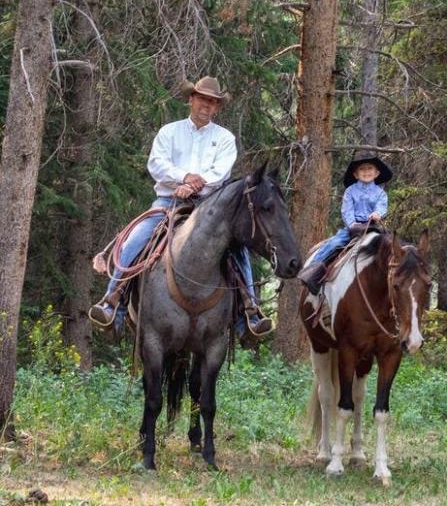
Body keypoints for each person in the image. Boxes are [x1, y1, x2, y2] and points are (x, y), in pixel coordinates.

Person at [88, 76, 271, 339]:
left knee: (238, 248)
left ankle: (249, 315)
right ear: (191, 99)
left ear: (217, 107)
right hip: (168, 201)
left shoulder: (225, 138)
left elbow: (220, 172)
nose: (206, 105)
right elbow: (156, 164)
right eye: (202, 99)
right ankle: (112, 304)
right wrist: (184, 178)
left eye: (212, 102)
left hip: (209, 206)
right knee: (136, 239)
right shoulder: (169, 132)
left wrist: (195, 186)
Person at [298, 151, 392, 292]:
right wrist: (352, 224)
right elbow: (346, 210)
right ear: (355, 174)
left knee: (390, 247)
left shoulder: (380, 193)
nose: (366, 172)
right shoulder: (350, 191)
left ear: (377, 173)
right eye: (362, 169)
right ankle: (312, 270)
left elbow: (381, 206)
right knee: (335, 243)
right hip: (353, 227)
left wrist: (377, 213)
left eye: (370, 168)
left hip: (373, 227)